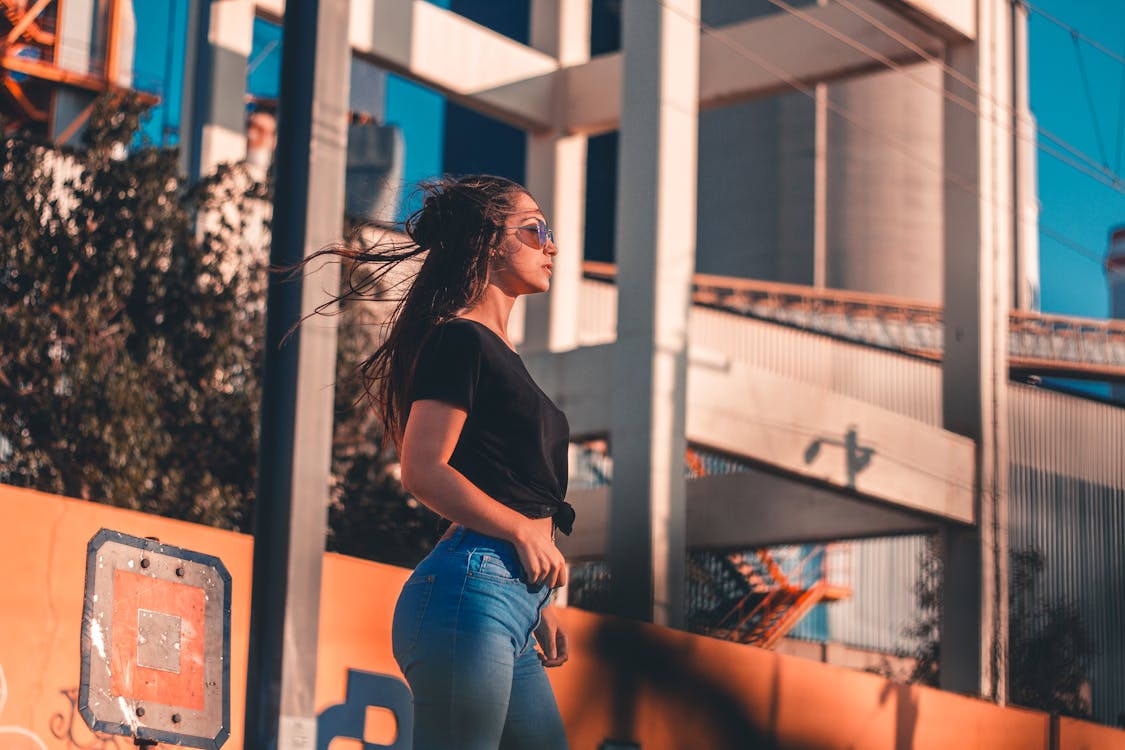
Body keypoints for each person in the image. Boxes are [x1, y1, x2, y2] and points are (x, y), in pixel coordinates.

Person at [327, 175, 574, 748]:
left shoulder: (501, 353)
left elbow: (496, 480)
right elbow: (424, 469)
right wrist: (521, 533)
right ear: (489, 242)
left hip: (507, 603)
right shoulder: (459, 340)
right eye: (535, 231)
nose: (551, 246)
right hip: (473, 593)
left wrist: (533, 602)